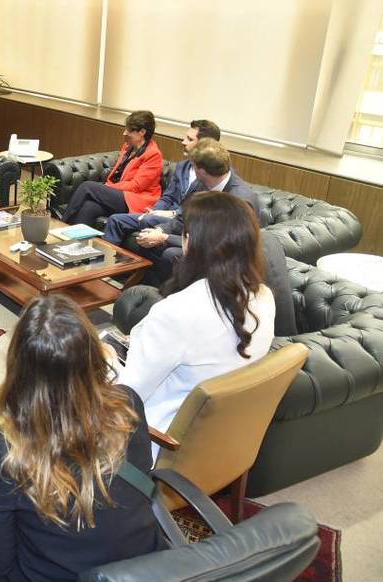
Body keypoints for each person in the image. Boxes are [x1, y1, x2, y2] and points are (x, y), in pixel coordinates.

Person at [0, 295, 164, 580]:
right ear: (94, 356)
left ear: (18, 367)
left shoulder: (1, 449)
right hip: (146, 571)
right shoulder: (128, 404)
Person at [112, 192, 276, 456]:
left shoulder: (175, 313)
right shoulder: (264, 298)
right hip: (228, 440)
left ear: (189, 242)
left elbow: (127, 395)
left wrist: (107, 362)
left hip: (160, 443)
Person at [129, 138, 259, 285]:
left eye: (193, 166)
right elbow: (184, 218)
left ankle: (167, 294)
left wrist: (164, 238)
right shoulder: (202, 183)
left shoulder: (240, 201)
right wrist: (160, 230)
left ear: (201, 171)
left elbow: (220, 245)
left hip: (225, 258)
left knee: (170, 254)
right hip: (200, 241)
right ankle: (146, 291)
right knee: (148, 239)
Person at [104, 119, 221, 245]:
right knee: (114, 219)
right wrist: (154, 210)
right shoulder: (182, 166)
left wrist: (172, 213)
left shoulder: (212, 174)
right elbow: (168, 197)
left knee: (134, 220)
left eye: (190, 139)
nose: (183, 142)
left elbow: (200, 212)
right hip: (161, 217)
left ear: (205, 145)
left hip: (183, 222)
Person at [60, 110, 163, 226]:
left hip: (136, 200)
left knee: (87, 186)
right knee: (89, 207)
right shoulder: (128, 146)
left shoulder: (153, 154)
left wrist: (109, 187)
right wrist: (109, 187)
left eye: (129, 130)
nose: (124, 133)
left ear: (142, 132)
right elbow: (119, 173)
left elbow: (136, 186)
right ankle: (72, 236)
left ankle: (61, 224)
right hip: (120, 194)